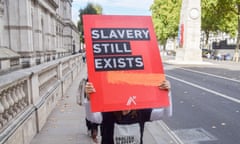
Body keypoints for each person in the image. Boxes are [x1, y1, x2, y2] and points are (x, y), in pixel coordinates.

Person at [84, 80, 172, 144]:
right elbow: (92, 117)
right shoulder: (108, 113)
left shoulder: (141, 112)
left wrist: (167, 94)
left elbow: (166, 114)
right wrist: (88, 99)